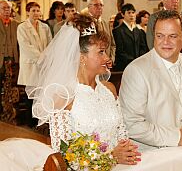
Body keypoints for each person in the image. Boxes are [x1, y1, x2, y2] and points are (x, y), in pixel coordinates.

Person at [28, 14, 141, 165]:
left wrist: (126, 152)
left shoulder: (109, 90)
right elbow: (65, 156)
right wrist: (111, 157)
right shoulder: (63, 96)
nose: (107, 58)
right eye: (101, 52)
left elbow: (122, 134)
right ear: (82, 58)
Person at [119, 10, 182, 151]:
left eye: (172, 36)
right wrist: (177, 137)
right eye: (160, 36)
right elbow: (131, 123)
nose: (165, 42)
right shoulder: (136, 70)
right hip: (154, 155)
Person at [17, 2, 52, 127]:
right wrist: (41, 57)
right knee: (30, 96)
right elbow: (26, 46)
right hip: (31, 64)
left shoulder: (45, 27)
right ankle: (30, 123)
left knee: (42, 94)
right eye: (33, 10)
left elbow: (50, 44)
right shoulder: (22, 27)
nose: (36, 13)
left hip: (43, 65)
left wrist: (47, 58)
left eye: (38, 10)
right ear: (27, 12)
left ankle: (40, 121)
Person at [113, 3, 148, 71]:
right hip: (124, 65)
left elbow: (143, 47)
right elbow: (120, 51)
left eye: (133, 12)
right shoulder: (118, 31)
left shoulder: (139, 31)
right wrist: (133, 61)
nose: (131, 15)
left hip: (139, 65)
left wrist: (139, 60)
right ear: (123, 14)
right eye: (128, 13)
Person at [0, 0, 19, 114]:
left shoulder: (16, 24)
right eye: (4, 8)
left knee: (11, 86)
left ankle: (9, 110)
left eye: (8, 8)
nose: (7, 11)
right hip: (0, 59)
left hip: (12, 59)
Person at [87, 0, 116, 64]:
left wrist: (111, 59)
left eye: (101, 5)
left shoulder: (106, 23)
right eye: (96, 5)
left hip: (107, 63)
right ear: (89, 7)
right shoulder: (85, 23)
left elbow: (112, 44)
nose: (99, 7)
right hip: (92, 63)